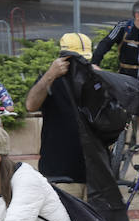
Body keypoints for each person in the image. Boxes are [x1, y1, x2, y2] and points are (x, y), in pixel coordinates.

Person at [93, 0, 139, 165]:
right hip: (124, 83)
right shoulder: (123, 27)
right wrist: (94, 64)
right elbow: (104, 44)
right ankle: (108, 163)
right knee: (112, 125)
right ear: (138, 16)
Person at [25, 33, 92, 196]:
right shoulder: (51, 79)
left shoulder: (94, 79)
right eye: (77, 60)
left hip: (93, 173)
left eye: (86, 59)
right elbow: (31, 105)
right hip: (59, 172)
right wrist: (50, 74)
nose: (82, 64)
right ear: (64, 58)